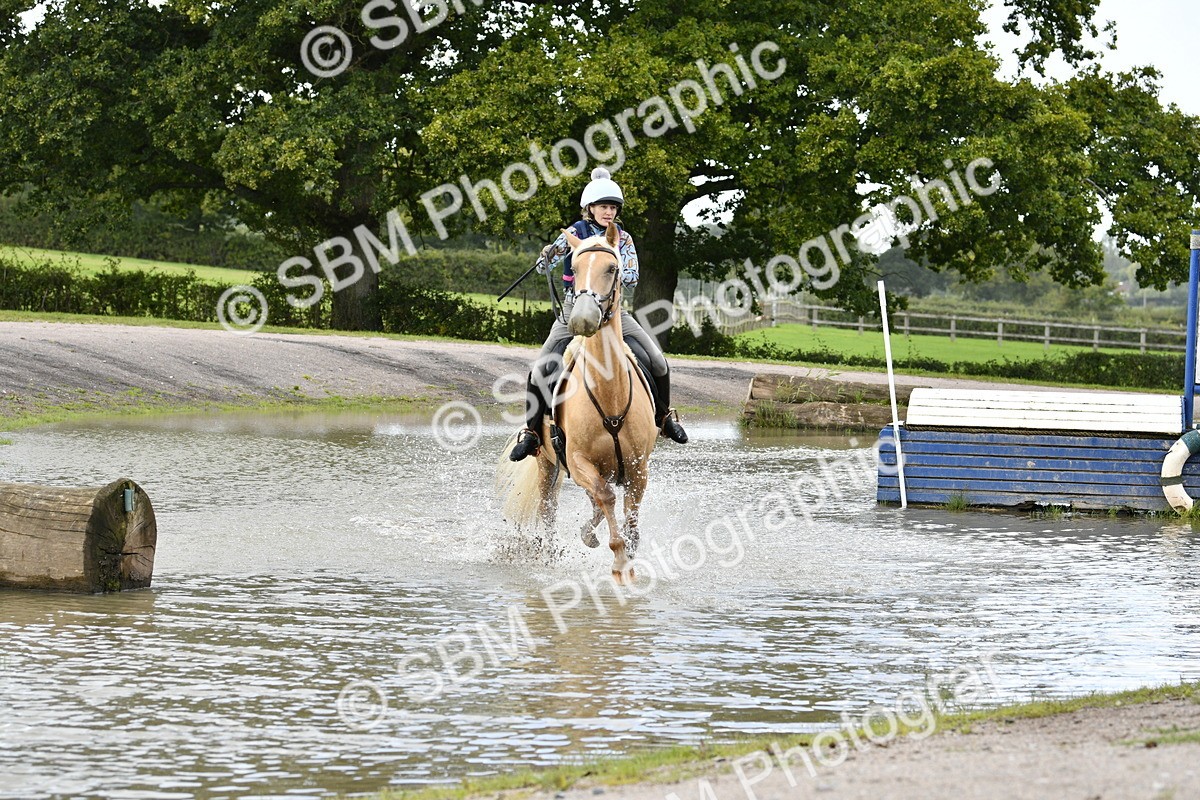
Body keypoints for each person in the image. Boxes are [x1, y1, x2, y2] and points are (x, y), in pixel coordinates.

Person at [509, 167, 688, 461]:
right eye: (604, 206)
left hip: (613, 313)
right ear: (590, 208)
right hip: (573, 310)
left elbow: (631, 277)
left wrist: (612, 261)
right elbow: (544, 268)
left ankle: (665, 418)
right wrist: (548, 254)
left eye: (613, 207)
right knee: (540, 368)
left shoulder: (623, 239)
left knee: (657, 361)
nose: (609, 212)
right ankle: (530, 433)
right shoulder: (574, 233)